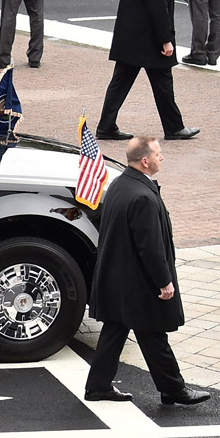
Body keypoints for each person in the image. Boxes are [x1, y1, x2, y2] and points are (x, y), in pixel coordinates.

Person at [84, 137, 211, 406]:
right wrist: (164, 282)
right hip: (137, 281)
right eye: (158, 153)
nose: (161, 157)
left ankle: (99, 386)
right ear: (145, 161)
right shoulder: (142, 196)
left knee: (116, 329)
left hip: (118, 277)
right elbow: (151, 248)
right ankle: (174, 390)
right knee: (152, 332)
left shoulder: (120, 185)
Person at [96, 0, 199, 141]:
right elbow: (158, 7)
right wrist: (166, 40)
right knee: (163, 83)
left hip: (130, 37)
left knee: (120, 83)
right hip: (149, 40)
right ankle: (174, 127)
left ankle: (106, 125)